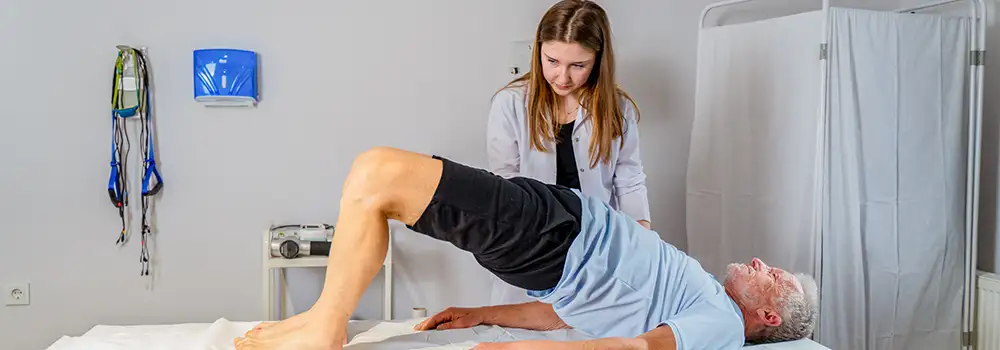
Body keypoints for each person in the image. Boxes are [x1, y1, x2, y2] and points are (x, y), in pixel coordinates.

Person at [234, 146, 818, 350]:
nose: (764, 262)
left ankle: (325, 323)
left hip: (560, 237)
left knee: (376, 173)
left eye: (777, 276)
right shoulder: (705, 298)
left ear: (768, 315)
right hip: (561, 232)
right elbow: (571, 312)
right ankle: (322, 317)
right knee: (372, 181)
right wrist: (479, 314)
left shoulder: (720, 323)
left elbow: (638, 347)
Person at [486, 0, 652, 306]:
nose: (562, 77)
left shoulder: (618, 109)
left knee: (592, 327)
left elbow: (629, 181)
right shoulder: (509, 104)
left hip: (597, 243)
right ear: (538, 51)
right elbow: (504, 184)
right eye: (552, 61)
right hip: (532, 242)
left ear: (598, 60)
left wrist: (640, 245)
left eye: (578, 65)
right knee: (526, 329)